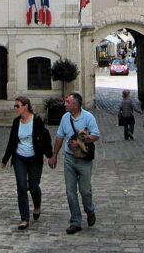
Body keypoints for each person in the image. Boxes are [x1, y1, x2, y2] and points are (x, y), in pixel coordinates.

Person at [48, 92, 100, 235]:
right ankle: (75, 221)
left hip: (84, 159)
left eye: (68, 102)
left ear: (75, 105)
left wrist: (80, 141)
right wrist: (54, 155)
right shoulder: (65, 118)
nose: (64, 104)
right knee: (70, 192)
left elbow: (96, 135)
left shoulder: (88, 117)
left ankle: (90, 210)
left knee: (85, 190)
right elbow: (59, 137)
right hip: (69, 159)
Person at [1, 96, 53, 230]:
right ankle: (24, 218)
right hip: (19, 158)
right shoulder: (16, 122)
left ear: (26, 106)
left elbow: (45, 139)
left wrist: (50, 156)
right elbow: (12, 141)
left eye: (17, 106)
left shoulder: (36, 120)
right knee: (22, 187)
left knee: (34, 187)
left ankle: (37, 206)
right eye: (15, 106)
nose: (15, 108)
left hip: (34, 158)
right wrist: (5, 160)